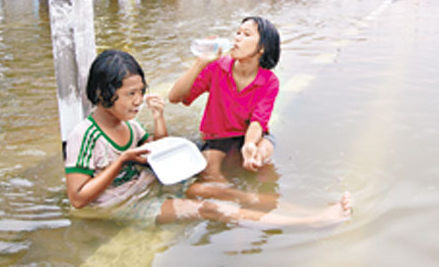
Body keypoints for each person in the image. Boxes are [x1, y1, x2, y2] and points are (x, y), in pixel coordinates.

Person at [65, 49, 351, 227]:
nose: (138, 100)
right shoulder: (85, 135)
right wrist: (123, 159)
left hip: (152, 187)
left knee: (227, 191)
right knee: (210, 208)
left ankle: (308, 211)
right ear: (103, 93)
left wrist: (158, 118)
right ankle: (312, 222)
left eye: (141, 92)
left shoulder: (129, 126)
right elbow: (78, 199)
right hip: (127, 205)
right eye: (130, 94)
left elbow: (156, 151)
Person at [168, 16, 281, 183]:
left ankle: (257, 187)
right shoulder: (217, 67)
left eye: (246, 34)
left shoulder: (269, 81)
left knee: (263, 152)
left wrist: (249, 145)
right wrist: (200, 63)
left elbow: (258, 122)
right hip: (216, 137)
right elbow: (175, 97)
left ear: (262, 48)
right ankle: (237, 197)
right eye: (238, 32)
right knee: (208, 174)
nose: (237, 37)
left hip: (248, 134)